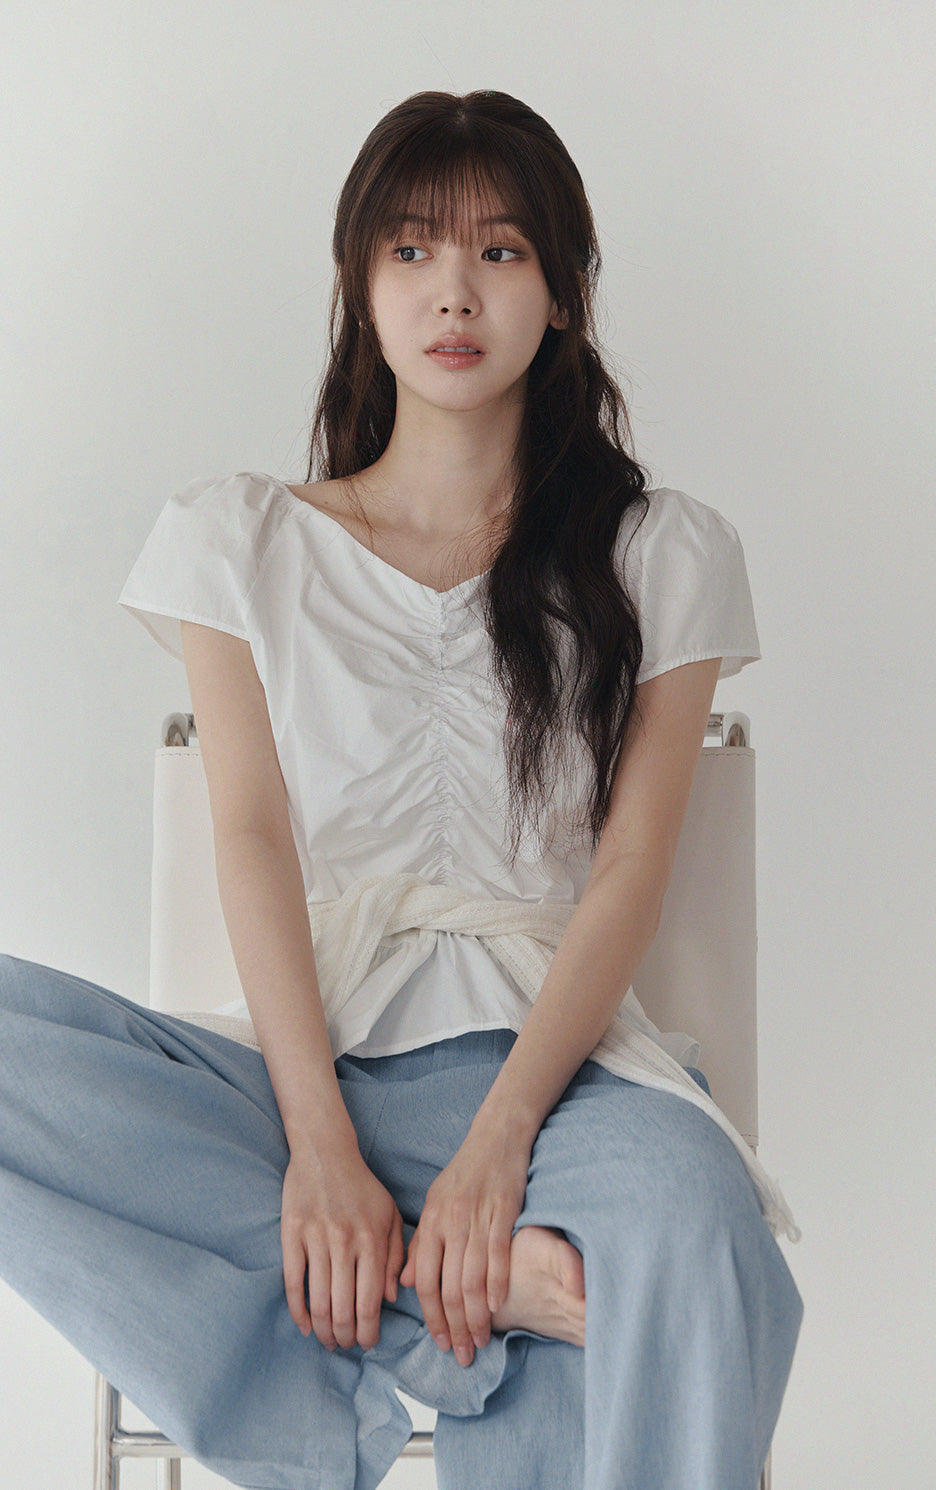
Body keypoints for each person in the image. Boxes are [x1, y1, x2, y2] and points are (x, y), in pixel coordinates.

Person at [0, 89, 803, 1489]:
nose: (455, 291)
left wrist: (501, 1146)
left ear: (564, 292)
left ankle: (428, 1276)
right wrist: (319, 1146)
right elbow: (250, 839)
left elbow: (630, 871)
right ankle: (476, 1290)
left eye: (501, 251)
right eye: (413, 249)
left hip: (563, 1084)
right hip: (303, 1073)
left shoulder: (662, 552)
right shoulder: (238, 539)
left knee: (696, 1221)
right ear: (359, 286)